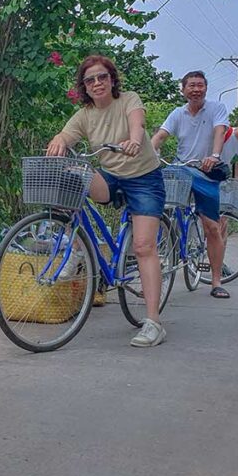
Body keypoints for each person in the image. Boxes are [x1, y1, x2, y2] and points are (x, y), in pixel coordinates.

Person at [46, 55, 169, 347]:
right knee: (75, 174)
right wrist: (59, 142)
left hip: (144, 178)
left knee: (143, 246)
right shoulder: (85, 114)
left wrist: (135, 140)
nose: (97, 83)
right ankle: (75, 248)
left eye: (102, 77)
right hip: (110, 177)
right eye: (90, 80)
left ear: (112, 80)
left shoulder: (128, 99)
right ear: (84, 87)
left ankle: (153, 322)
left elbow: (137, 123)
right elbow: (66, 133)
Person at [151, 70, 232, 298]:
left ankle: (216, 282)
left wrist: (214, 155)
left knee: (212, 228)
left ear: (206, 88)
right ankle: (165, 249)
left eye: (200, 85)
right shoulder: (178, 113)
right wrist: (148, 152)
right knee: (155, 209)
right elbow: (160, 135)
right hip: (181, 170)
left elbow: (219, 131)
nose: (196, 89)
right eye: (191, 85)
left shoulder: (217, 109)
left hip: (205, 173)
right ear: (183, 90)